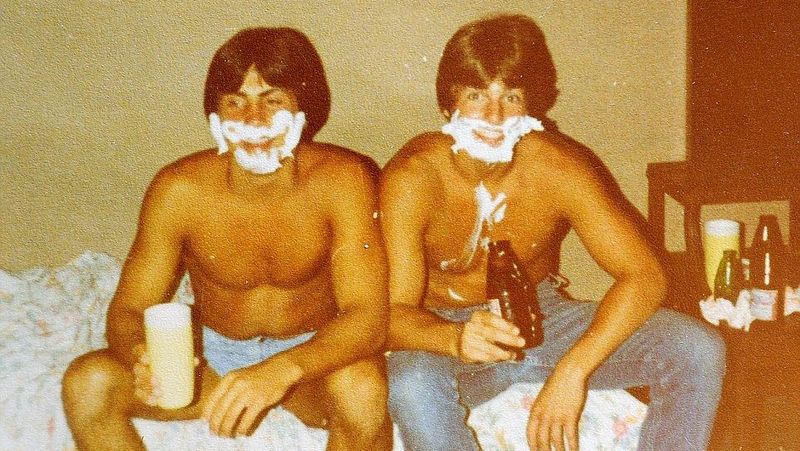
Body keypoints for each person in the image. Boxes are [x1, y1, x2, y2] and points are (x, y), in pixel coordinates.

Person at [380, 14, 725, 451]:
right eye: (475, 96)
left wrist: (573, 372)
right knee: (409, 380)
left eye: (511, 96)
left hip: (543, 315)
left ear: (531, 109)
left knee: (698, 347)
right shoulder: (413, 178)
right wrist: (453, 338)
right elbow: (390, 315)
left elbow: (645, 275)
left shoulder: (556, 166)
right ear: (447, 107)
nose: (493, 114)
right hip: (447, 328)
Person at [62, 27, 392, 450]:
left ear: (303, 109)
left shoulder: (344, 179)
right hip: (210, 359)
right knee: (87, 383)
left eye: (272, 101)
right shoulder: (178, 188)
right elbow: (129, 308)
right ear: (215, 116)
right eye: (235, 103)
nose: (253, 120)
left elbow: (368, 317)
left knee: (363, 390)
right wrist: (139, 359)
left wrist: (282, 370)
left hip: (310, 362)